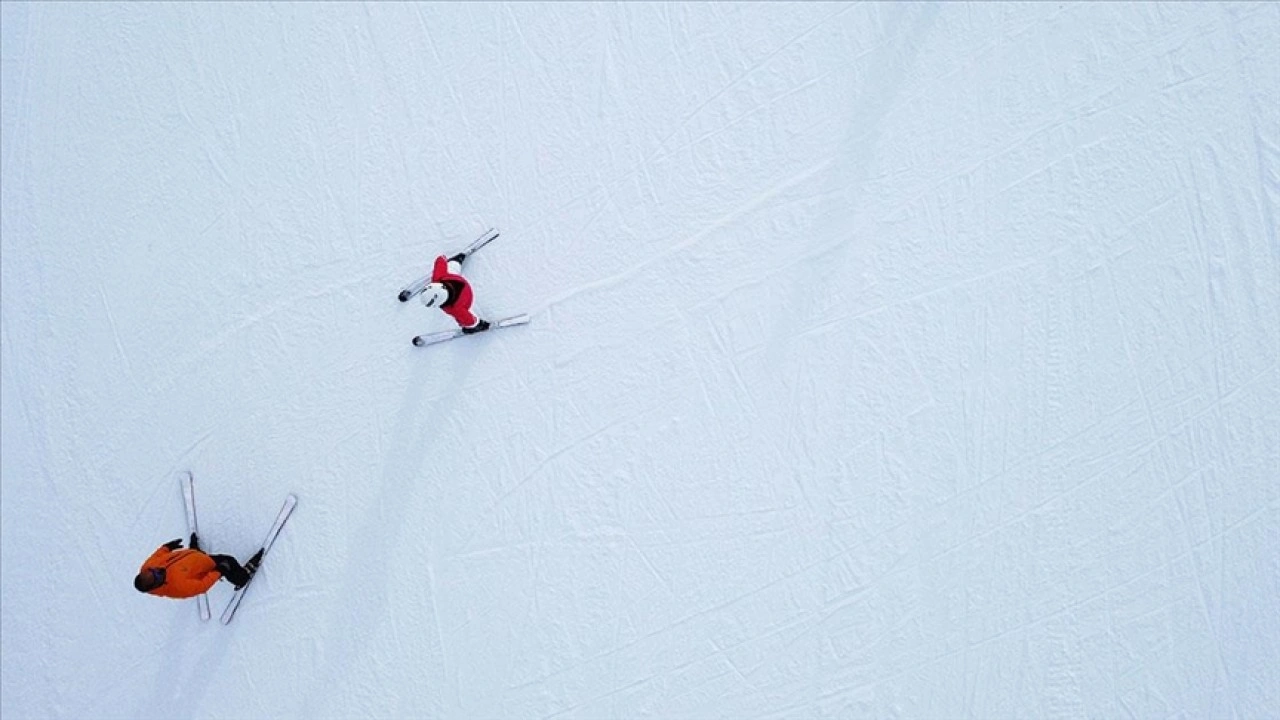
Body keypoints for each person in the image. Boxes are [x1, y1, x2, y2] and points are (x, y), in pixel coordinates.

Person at [133, 534, 260, 599]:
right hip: (206, 565)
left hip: (191, 557)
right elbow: (202, 586)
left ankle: (196, 551)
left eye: (152, 570)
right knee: (228, 561)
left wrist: (167, 547)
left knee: (196, 556)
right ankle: (241, 579)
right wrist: (219, 571)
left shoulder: (147, 567)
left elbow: (157, 556)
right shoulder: (178, 587)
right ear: (154, 585)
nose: (156, 570)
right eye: (155, 575)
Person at [420, 252, 490, 334]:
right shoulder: (438, 278)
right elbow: (440, 262)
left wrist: (469, 324)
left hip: (467, 301)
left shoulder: (454, 309)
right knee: (451, 268)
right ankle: (457, 261)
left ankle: (478, 325)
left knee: (465, 317)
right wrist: (442, 258)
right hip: (459, 281)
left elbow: (468, 320)